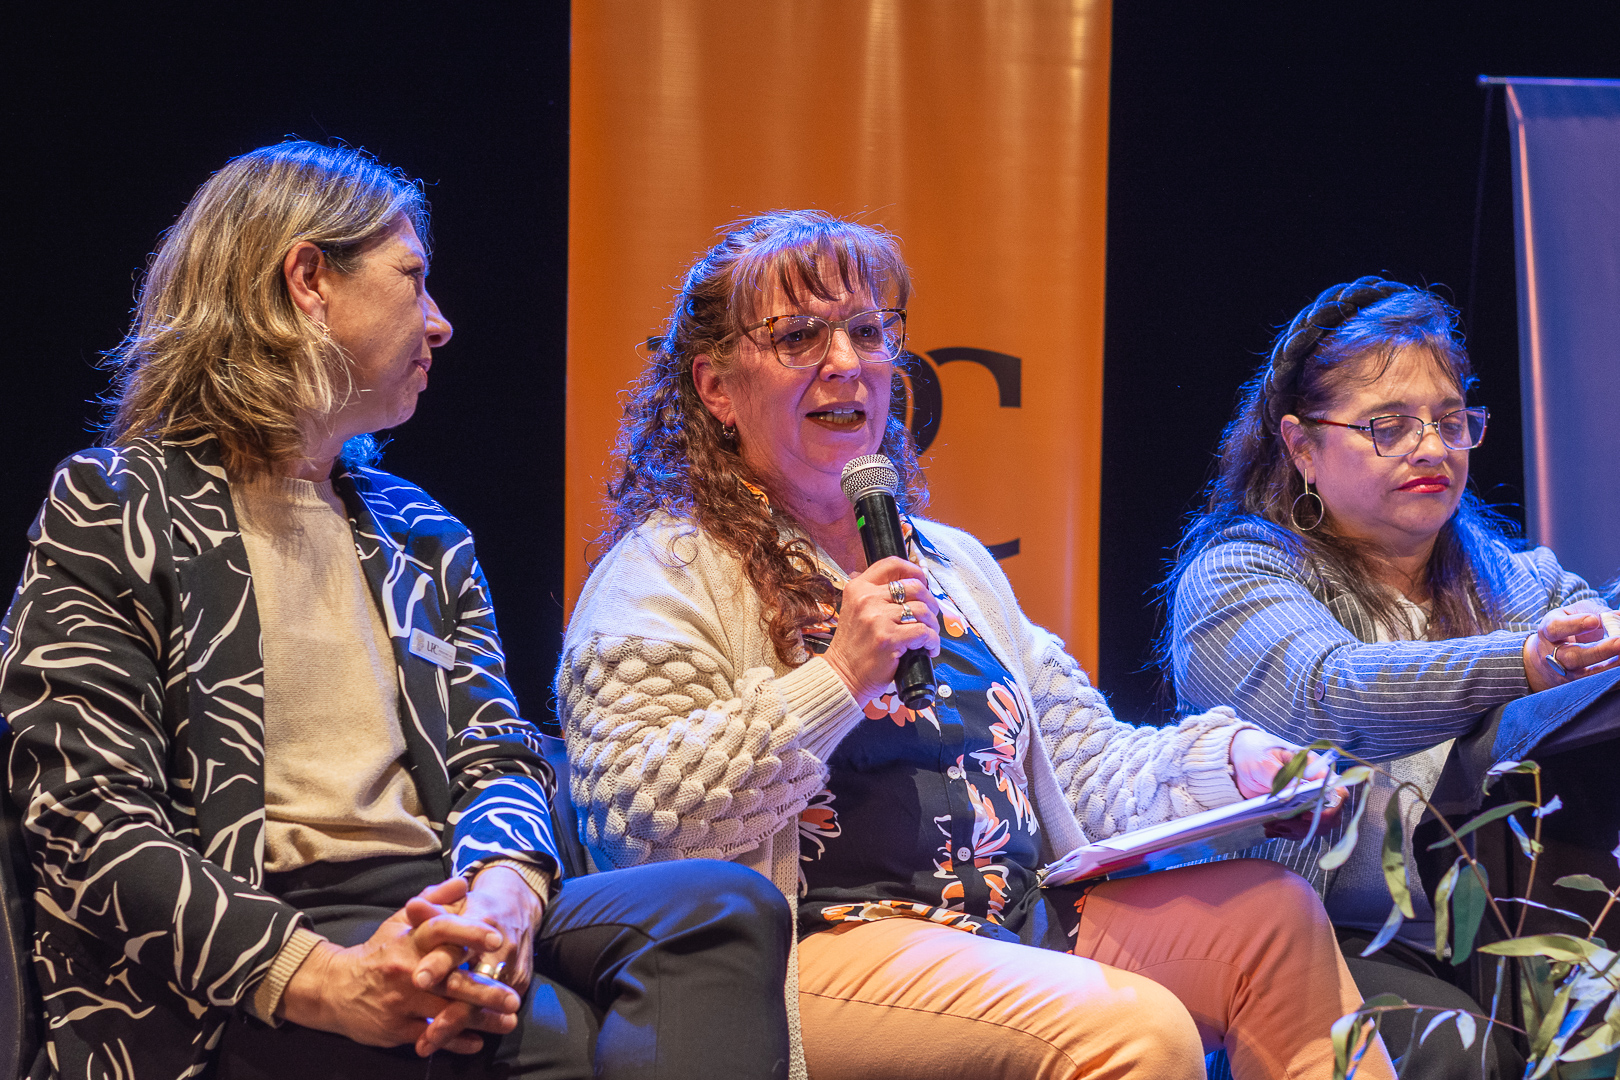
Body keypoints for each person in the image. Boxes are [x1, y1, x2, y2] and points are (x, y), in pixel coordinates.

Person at [0, 141, 793, 1080]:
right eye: (413, 279)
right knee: (560, 1041)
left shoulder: (421, 531)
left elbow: (496, 757)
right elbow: (85, 816)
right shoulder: (119, 504)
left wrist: (504, 890)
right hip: (255, 928)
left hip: (434, 891)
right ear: (308, 280)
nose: (440, 322)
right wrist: (328, 980)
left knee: (723, 908)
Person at [556, 209, 1395, 1080]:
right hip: (819, 948)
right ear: (717, 388)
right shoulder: (664, 570)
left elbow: (1087, 764)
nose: (846, 361)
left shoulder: (953, 563)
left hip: (1012, 929)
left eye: (867, 331)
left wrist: (1235, 768)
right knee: (1133, 1031)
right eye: (799, 336)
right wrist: (838, 678)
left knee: (1272, 919)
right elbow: (637, 823)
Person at [1163, 277, 1620, 1078]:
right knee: (1457, 1048)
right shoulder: (1235, 575)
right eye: (1390, 426)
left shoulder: (1521, 583)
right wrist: (1524, 663)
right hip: (1320, 936)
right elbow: (1329, 695)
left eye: (1450, 420)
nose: (1433, 448)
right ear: (1302, 446)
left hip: (1518, 929)